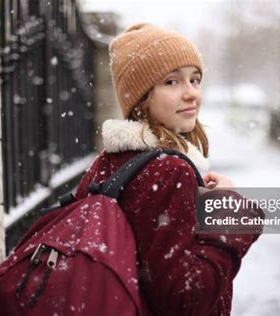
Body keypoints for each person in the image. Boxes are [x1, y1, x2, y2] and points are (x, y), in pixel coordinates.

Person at [74, 23, 263, 316]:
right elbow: (184, 301)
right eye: (172, 82)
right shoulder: (168, 171)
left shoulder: (106, 164)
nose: (191, 94)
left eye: (195, 80)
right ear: (141, 98)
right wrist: (229, 213)